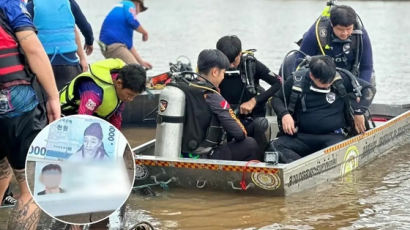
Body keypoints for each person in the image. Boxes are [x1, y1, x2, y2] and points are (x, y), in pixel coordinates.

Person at [0, 0, 60, 229]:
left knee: (2, 171)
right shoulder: (9, 3)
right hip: (13, 99)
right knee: (31, 186)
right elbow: (32, 48)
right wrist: (53, 96)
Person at [270, 55, 375, 163]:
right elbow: (276, 99)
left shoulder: (341, 79)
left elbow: (369, 89)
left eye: (330, 82)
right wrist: (284, 114)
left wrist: (359, 111)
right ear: (311, 75)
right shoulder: (297, 80)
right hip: (301, 136)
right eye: (323, 83)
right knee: (274, 146)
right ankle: (301, 167)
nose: (328, 85)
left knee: (339, 150)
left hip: (333, 137)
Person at [176, 49, 261, 161]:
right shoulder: (212, 95)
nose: (223, 77)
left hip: (180, 152)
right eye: (223, 73)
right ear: (215, 72)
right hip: (204, 157)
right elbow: (239, 133)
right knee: (250, 144)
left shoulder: (183, 88)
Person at [216, 35, 282, 155]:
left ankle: (259, 157)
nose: (230, 66)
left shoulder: (251, 65)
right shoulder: (215, 67)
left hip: (250, 119)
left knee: (261, 124)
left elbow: (279, 83)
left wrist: (254, 101)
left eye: (234, 61)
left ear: (240, 54)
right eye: (227, 62)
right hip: (225, 118)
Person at [296, 4, 374, 85]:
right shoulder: (316, 33)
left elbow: (366, 67)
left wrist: (362, 91)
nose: (345, 33)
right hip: (321, 78)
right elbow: (300, 63)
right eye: (340, 29)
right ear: (332, 24)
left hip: (350, 75)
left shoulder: (360, 35)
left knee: (369, 83)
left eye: (349, 29)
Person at [60, 58, 147, 130]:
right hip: (65, 114)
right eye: (130, 95)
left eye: (134, 96)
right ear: (119, 83)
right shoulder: (94, 93)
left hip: (93, 114)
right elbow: (82, 121)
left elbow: (116, 119)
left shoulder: (122, 89)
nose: (130, 99)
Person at [26, 0, 89, 89]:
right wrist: (88, 44)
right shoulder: (69, 2)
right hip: (70, 64)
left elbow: (22, 35)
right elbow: (85, 27)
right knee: (71, 99)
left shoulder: (31, 5)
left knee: (46, 100)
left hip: (44, 64)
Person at [99, 0, 152, 69]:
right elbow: (132, 21)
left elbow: (129, 46)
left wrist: (141, 62)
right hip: (114, 46)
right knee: (136, 70)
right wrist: (145, 33)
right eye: (140, 10)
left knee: (128, 72)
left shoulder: (122, 8)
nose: (138, 13)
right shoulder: (129, 4)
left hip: (109, 46)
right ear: (138, 3)